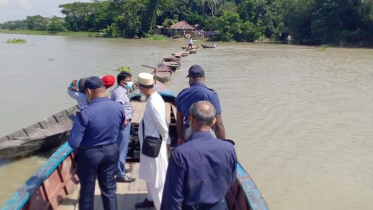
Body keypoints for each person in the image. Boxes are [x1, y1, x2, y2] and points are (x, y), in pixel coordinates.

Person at [161, 101, 237, 210]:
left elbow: (173, 197)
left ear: (191, 119)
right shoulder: (229, 149)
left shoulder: (180, 154)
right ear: (214, 120)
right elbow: (231, 179)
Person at [68, 76, 124, 210]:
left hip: (90, 154)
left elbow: (74, 142)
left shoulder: (85, 113)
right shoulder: (118, 107)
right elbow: (120, 127)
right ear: (103, 88)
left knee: (87, 191)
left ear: (88, 91)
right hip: (111, 151)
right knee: (109, 190)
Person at [135, 72, 170, 210]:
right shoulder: (153, 99)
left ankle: (160, 206)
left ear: (142, 87)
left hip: (153, 146)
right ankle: (151, 199)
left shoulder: (154, 103)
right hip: (148, 145)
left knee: (155, 179)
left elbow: (163, 125)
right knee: (150, 176)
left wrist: (167, 142)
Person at [176, 65, 226, 145]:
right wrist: (223, 144)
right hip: (207, 132)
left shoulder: (182, 95)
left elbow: (179, 120)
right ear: (204, 78)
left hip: (188, 133)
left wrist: (180, 137)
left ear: (191, 79)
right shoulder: (211, 95)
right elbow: (219, 124)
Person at [111, 72, 136, 183]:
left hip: (124, 123)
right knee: (121, 148)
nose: (131, 82)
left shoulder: (120, 91)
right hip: (123, 124)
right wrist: (124, 119)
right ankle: (120, 174)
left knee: (123, 148)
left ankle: (120, 168)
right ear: (122, 82)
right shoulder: (120, 93)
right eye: (129, 80)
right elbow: (118, 107)